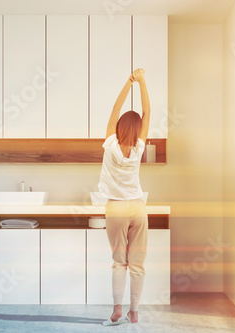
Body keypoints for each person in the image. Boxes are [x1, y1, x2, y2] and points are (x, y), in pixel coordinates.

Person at [99, 68, 150, 326]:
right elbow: (147, 113)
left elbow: (115, 109)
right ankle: (135, 312)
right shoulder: (139, 147)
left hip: (115, 209)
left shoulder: (109, 144)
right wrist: (141, 82)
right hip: (138, 208)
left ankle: (117, 308)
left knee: (119, 262)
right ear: (138, 129)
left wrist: (128, 82)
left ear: (119, 126)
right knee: (137, 264)